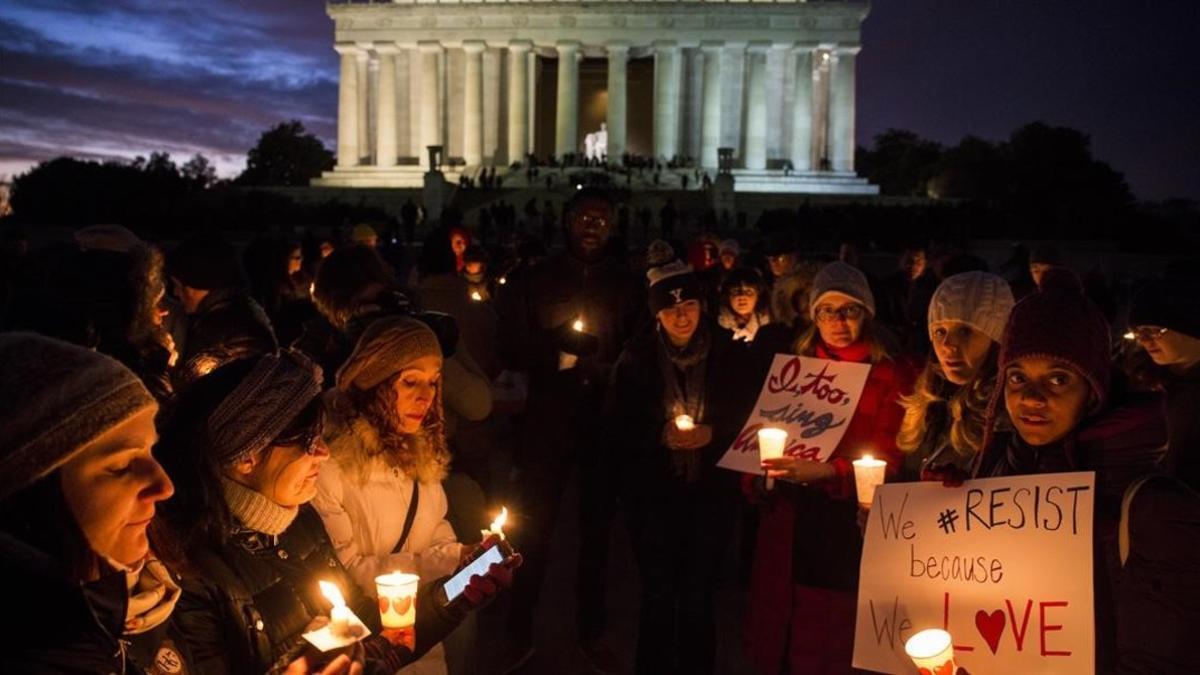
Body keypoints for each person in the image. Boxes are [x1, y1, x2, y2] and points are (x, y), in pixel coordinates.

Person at [156, 350, 516, 674]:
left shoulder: (298, 521)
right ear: (249, 454)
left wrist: (449, 597)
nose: (324, 453)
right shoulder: (189, 570)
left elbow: (364, 627)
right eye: (308, 441)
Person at [970, 268, 1166, 671]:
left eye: (1057, 379)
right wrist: (930, 515)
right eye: (1017, 377)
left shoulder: (1145, 480)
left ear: (1093, 390)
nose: (1031, 398)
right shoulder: (1002, 458)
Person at [745, 261, 917, 675]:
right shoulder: (793, 370)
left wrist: (830, 472)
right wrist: (763, 480)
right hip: (790, 526)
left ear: (867, 314)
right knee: (790, 635)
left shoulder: (890, 374)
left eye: (850, 310)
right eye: (827, 310)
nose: (838, 321)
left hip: (849, 530)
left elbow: (891, 460)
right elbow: (756, 448)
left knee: (839, 637)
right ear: (813, 315)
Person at [498, 187, 643, 670]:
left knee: (595, 534)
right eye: (583, 217)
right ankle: (518, 629)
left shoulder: (627, 284)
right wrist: (553, 349)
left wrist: (604, 367)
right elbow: (512, 346)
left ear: (614, 226)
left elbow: (639, 351)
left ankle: (592, 630)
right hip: (548, 419)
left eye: (601, 219)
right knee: (532, 528)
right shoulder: (536, 279)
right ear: (566, 221)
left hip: (603, 420)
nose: (591, 226)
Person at [0, 333, 183, 673]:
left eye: (150, 452)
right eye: (121, 466)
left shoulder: (99, 621)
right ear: (31, 491)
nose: (165, 486)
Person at [606, 262, 755, 674]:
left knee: (698, 593)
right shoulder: (635, 360)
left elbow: (749, 417)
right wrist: (658, 436)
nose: (682, 315)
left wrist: (714, 433)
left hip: (710, 495)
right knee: (657, 591)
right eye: (671, 308)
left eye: (689, 303)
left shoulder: (730, 354)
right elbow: (616, 427)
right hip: (653, 497)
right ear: (656, 312)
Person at [314, 317, 475, 675]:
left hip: (425, 642)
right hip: (370, 650)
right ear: (375, 382)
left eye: (433, 382)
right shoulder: (330, 465)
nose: (426, 396)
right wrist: (445, 564)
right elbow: (348, 572)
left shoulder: (420, 451)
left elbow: (437, 526)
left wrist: (464, 557)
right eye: (410, 381)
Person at [896, 271, 1015, 479]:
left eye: (965, 331)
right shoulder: (926, 400)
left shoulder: (1007, 414)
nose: (948, 346)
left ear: (996, 339)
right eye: (940, 331)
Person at [167, 234, 277, 386]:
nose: (175, 292)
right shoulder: (217, 317)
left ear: (197, 283)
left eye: (178, 285)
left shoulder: (234, 332)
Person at [716, 266, 773, 343]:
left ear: (758, 296)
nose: (742, 296)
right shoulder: (718, 329)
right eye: (736, 291)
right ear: (727, 296)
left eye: (748, 291)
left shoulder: (770, 329)